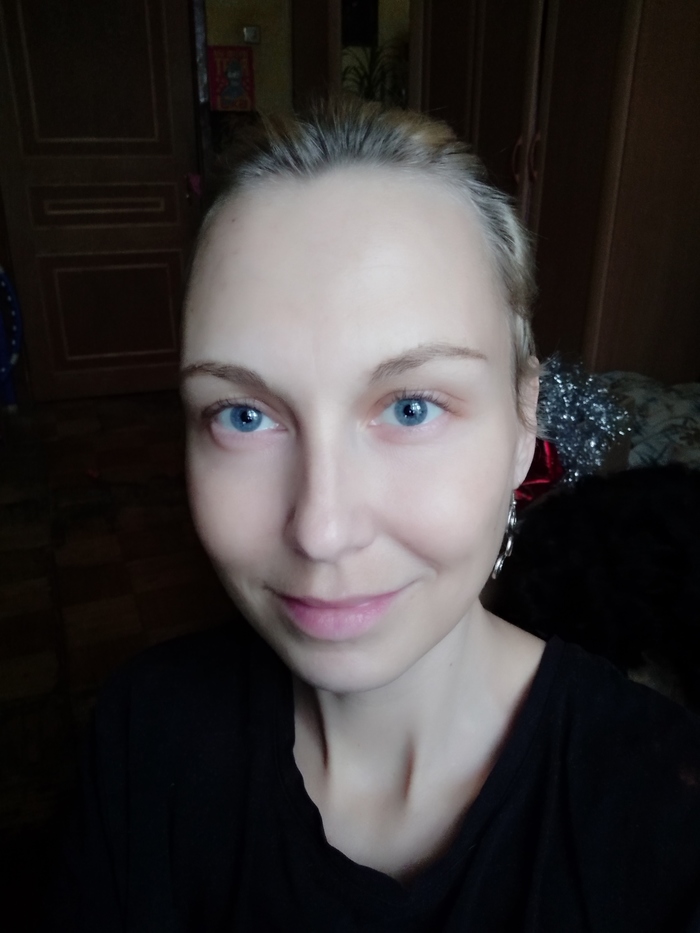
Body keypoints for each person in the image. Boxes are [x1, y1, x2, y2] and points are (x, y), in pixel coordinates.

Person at [45, 98, 700, 932]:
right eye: (243, 414)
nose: (321, 530)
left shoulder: (669, 821)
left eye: (412, 407)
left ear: (523, 423)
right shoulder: (144, 735)